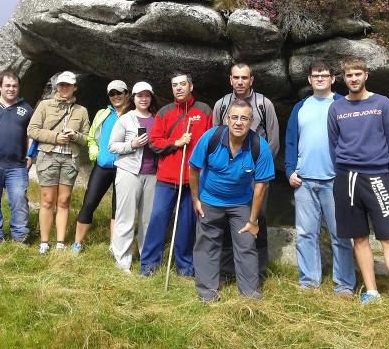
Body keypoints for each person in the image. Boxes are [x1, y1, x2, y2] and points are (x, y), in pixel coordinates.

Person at [327, 57, 389, 317]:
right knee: (358, 236)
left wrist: (383, 170)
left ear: (366, 75)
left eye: (358, 74)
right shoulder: (336, 108)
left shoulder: (381, 103)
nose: (354, 79)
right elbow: (334, 145)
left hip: (378, 176)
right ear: (343, 79)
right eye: (349, 75)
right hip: (346, 178)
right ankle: (371, 291)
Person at [189, 99, 275, 301]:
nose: (238, 122)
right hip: (210, 200)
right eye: (234, 117)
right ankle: (207, 293)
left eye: (244, 118)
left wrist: (253, 221)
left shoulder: (259, 147)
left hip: (240, 203)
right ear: (227, 119)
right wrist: (195, 199)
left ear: (251, 122)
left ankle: (249, 294)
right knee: (206, 245)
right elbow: (193, 168)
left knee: (246, 244)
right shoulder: (211, 137)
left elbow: (261, 186)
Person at [285, 60, 355, 294]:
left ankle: (344, 285)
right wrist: (289, 170)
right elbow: (291, 141)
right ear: (309, 80)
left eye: (324, 75)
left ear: (333, 79)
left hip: (335, 180)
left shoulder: (343, 104)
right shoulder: (300, 107)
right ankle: (308, 282)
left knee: (340, 234)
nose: (320, 79)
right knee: (305, 234)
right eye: (316, 75)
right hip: (304, 180)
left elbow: (352, 141)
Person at [140, 72, 212, 277]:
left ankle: (185, 267)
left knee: (186, 225)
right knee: (157, 219)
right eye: (174, 85)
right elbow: (154, 142)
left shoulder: (204, 110)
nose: (178, 88)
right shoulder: (165, 112)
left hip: (192, 180)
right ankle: (149, 264)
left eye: (182, 84)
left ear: (191, 86)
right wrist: (175, 142)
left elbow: (210, 143)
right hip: (166, 178)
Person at [212, 62, 279, 280]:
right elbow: (215, 140)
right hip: (228, 177)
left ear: (251, 80)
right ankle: (226, 270)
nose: (240, 82)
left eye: (244, 78)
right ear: (230, 79)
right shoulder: (221, 105)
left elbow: (273, 141)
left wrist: (259, 171)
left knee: (257, 218)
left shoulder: (263, 104)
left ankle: (256, 270)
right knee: (225, 219)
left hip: (256, 177)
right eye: (236, 77)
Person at [27, 71, 89, 254]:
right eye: (61, 85)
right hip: (48, 157)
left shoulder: (81, 111)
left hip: (70, 159)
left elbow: (86, 138)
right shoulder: (44, 105)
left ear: (74, 87)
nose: (64, 88)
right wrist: (55, 137)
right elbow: (32, 130)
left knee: (64, 200)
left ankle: (60, 242)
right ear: (57, 87)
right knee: (47, 200)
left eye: (68, 85)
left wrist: (75, 136)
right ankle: (45, 242)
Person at [71, 80, 131, 253]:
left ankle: (114, 246)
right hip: (103, 166)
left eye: (119, 92)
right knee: (89, 203)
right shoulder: (103, 114)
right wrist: (94, 151)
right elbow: (92, 136)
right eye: (112, 94)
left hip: (124, 168)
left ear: (127, 94)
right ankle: (77, 243)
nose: (116, 96)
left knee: (117, 209)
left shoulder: (132, 115)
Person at [107, 81, 158, 272]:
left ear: (151, 97)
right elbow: (112, 146)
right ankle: (122, 262)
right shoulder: (125, 119)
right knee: (125, 217)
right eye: (139, 96)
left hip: (152, 174)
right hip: (129, 172)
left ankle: (146, 260)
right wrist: (132, 144)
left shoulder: (157, 119)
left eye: (147, 95)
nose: (143, 99)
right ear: (133, 98)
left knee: (147, 219)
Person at [0, 70, 33, 243]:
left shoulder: (26, 108)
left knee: (19, 202)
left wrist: (30, 155)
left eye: (14, 86)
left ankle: (20, 237)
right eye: (7, 86)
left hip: (17, 166)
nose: (11, 89)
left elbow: (32, 135)